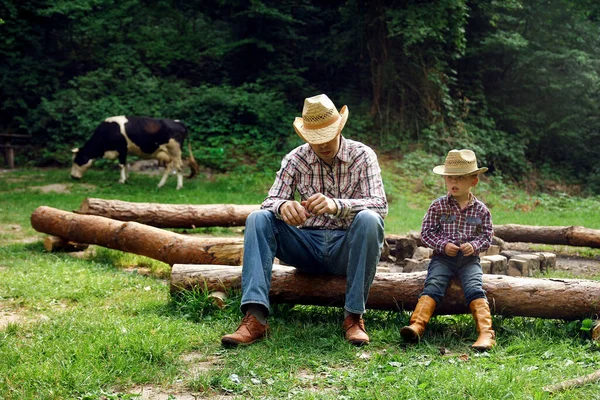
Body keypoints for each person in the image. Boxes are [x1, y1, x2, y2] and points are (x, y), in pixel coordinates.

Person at [221, 94, 388, 347]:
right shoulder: (295, 159)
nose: (322, 144)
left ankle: (354, 317)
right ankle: (255, 317)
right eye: (315, 139)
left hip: (347, 248)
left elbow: (380, 205)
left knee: (369, 219)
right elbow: (269, 201)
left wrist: (337, 205)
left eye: (328, 135)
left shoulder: (363, 155)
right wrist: (283, 206)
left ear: (339, 128)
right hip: (305, 246)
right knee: (258, 218)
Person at [400, 149, 496, 351]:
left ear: (473, 181)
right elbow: (426, 233)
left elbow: (487, 237)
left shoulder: (481, 211)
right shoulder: (438, 206)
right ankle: (417, 325)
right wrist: (443, 245)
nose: (454, 182)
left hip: (469, 261)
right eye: (450, 178)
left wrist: (475, 246)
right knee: (433, 284)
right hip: (442, 259)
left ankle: (486, 334)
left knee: (474, 288)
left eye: (460, 178)